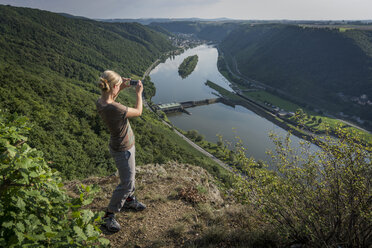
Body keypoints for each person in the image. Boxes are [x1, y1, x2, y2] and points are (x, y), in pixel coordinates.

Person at [96, 70, 146, 232]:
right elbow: (138, 112)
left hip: (122, 145)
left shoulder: (101, 101)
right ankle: (109, 215)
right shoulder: (115, 108)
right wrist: (139, 93)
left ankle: (130, 200)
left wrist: (121, 87)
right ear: (113, 87)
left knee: (129, 176)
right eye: (118, 86)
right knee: (127, 182)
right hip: (123, 148)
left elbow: (111, 98)